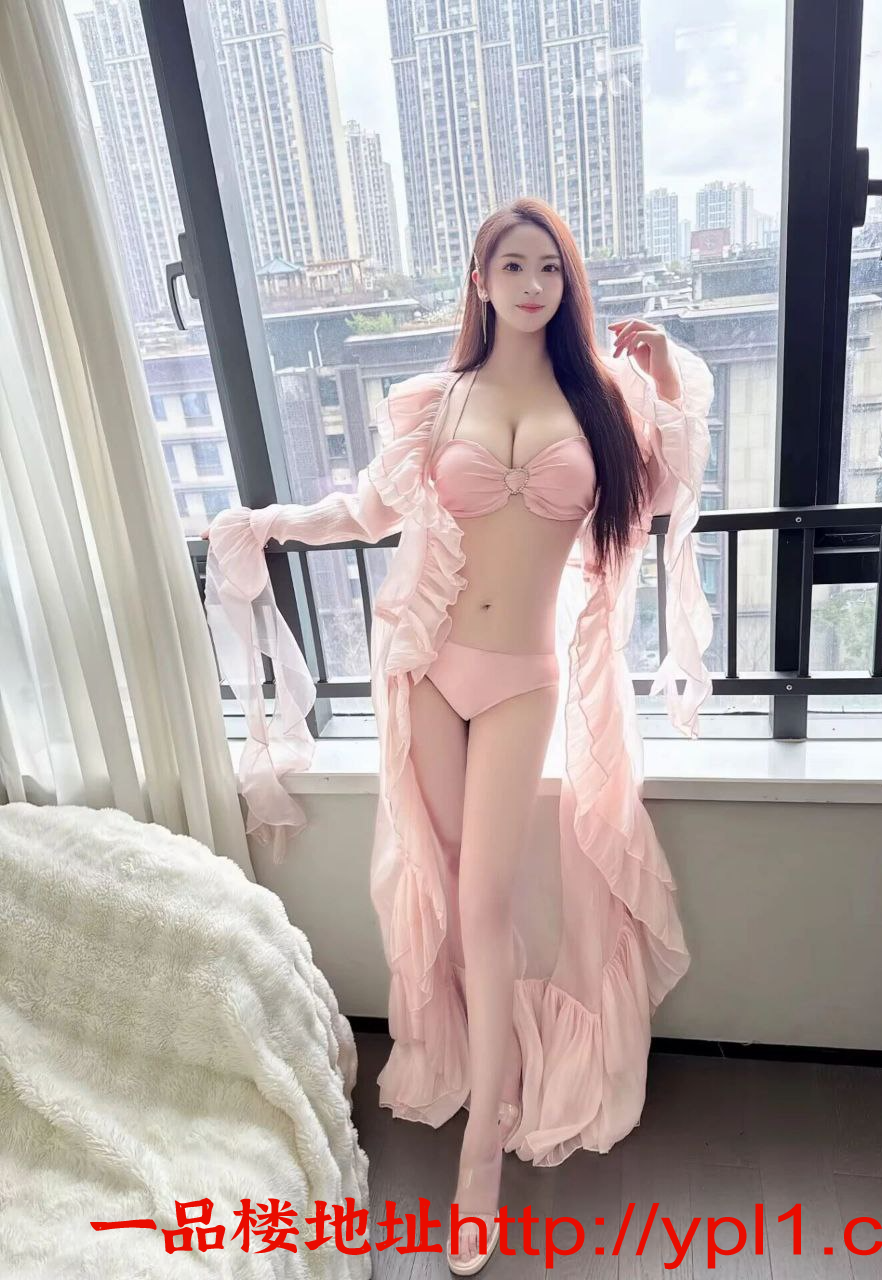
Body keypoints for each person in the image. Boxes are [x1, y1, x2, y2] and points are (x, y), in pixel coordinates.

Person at [201, 196, 714, 1275]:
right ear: (480, 282)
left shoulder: (602, 400)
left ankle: (484, 1147)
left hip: (523, 680)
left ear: (567, 284)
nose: (533, 284)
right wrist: (267, 523)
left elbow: (663, 491)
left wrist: (665, 381)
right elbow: (366, 513)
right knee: (442, 888)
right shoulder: (440, 402)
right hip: (428, 668)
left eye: (549, 267)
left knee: (484, 900)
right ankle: (483, 1070)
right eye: (512, 266)